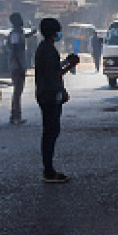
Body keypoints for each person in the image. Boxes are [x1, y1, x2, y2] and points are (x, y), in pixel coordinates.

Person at [34, 18, 80, 183]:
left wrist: (67, 61)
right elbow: (55, 74)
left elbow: (52, 69)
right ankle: (49, 170)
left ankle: (48, 168)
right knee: (50, 132)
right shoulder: (48, 50)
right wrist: (70, 65)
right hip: (49, 95)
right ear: (54, 32)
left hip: (46, 94)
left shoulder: (44, 48)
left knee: (50, 132)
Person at [6, 12, 32, 125]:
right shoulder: (15, 34)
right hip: (17, 66)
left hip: (19, 65)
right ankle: (15, 116)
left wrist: (30, 34)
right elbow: (16, 49)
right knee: (17, 91)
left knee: (18, 91)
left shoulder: (19, 32)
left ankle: (15, 115)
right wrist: (20, 66)